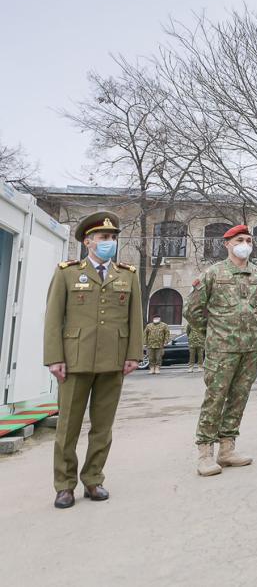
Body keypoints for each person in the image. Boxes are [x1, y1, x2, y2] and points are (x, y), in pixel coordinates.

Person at [43, 211, 143, 509]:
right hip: (75, 361)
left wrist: (133, 354)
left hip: (113, 361)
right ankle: (64, 485)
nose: (109, 242)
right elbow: (53, 319)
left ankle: (94, 479)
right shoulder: (67, 272)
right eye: (103, 238)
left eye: (112, 238)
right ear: (88, 242)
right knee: (68, 427)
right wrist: (54, 358)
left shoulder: (127, 275)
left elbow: (134, 317)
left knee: (103, 427)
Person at [185, 225, 257, 476]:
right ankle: (205, 453)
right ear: (227, 244)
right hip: (221, 351)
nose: (245, 243)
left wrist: (252, 330)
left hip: (249, 350)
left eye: (248, 240)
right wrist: (213, 332)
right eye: (240, 239)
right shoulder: (213, 274)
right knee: (215, 398)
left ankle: (227, 449)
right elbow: (192, 310)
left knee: (238, 399)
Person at [186, 279, 206, 372]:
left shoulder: (203, 321)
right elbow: (187, 331)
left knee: (200, 355)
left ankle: (200, 366)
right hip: (192, 342)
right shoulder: (191, 323)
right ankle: (190, 367)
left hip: (200, 341)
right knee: (191, 355)